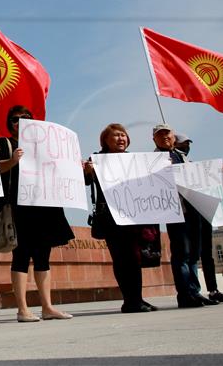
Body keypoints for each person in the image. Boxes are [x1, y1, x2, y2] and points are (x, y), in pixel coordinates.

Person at [0, 106, 75, 322]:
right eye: (15, 119)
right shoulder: (5, 143)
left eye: (25, 118)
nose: (20, 122)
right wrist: (12, 161)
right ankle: (22, 309)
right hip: (18, 207)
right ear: (9, 123)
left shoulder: (46, 145)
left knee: (43, 257)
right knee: (21, 256)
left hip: (44, 205)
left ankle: (47, 307)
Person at [83, 124, 160, 313]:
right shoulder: (97, 160)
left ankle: (137, 298)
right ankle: (130, 300)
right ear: (105, 141)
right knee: (122, 259)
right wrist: (88, 171)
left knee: (135, 258)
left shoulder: (136, 160)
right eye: (116, 135)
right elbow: (85, 181)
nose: (120, 139)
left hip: (134, 217)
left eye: (123, 135)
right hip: (111, 218)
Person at [153, 124, 218, 308]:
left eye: (168, 133)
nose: (165, 137)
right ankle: (184, 294)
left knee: (193, 254)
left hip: (193, 209)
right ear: (154, 140)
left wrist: (216, 172)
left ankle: (194, 291)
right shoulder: (153, 159)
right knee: (181, 253)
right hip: (175, 211)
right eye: (160, 134)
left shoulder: (181, 156)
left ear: (174, 137)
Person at [174, 133, 223, 303]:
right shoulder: (170, 161)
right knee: (191, 253)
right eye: (182, 143)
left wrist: (218, 170)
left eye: (187, 143)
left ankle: (213, 289)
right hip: (187, 214)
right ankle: (192, 291)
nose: (186, 146)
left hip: (202, 211)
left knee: (207, 252)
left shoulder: (192, 165)